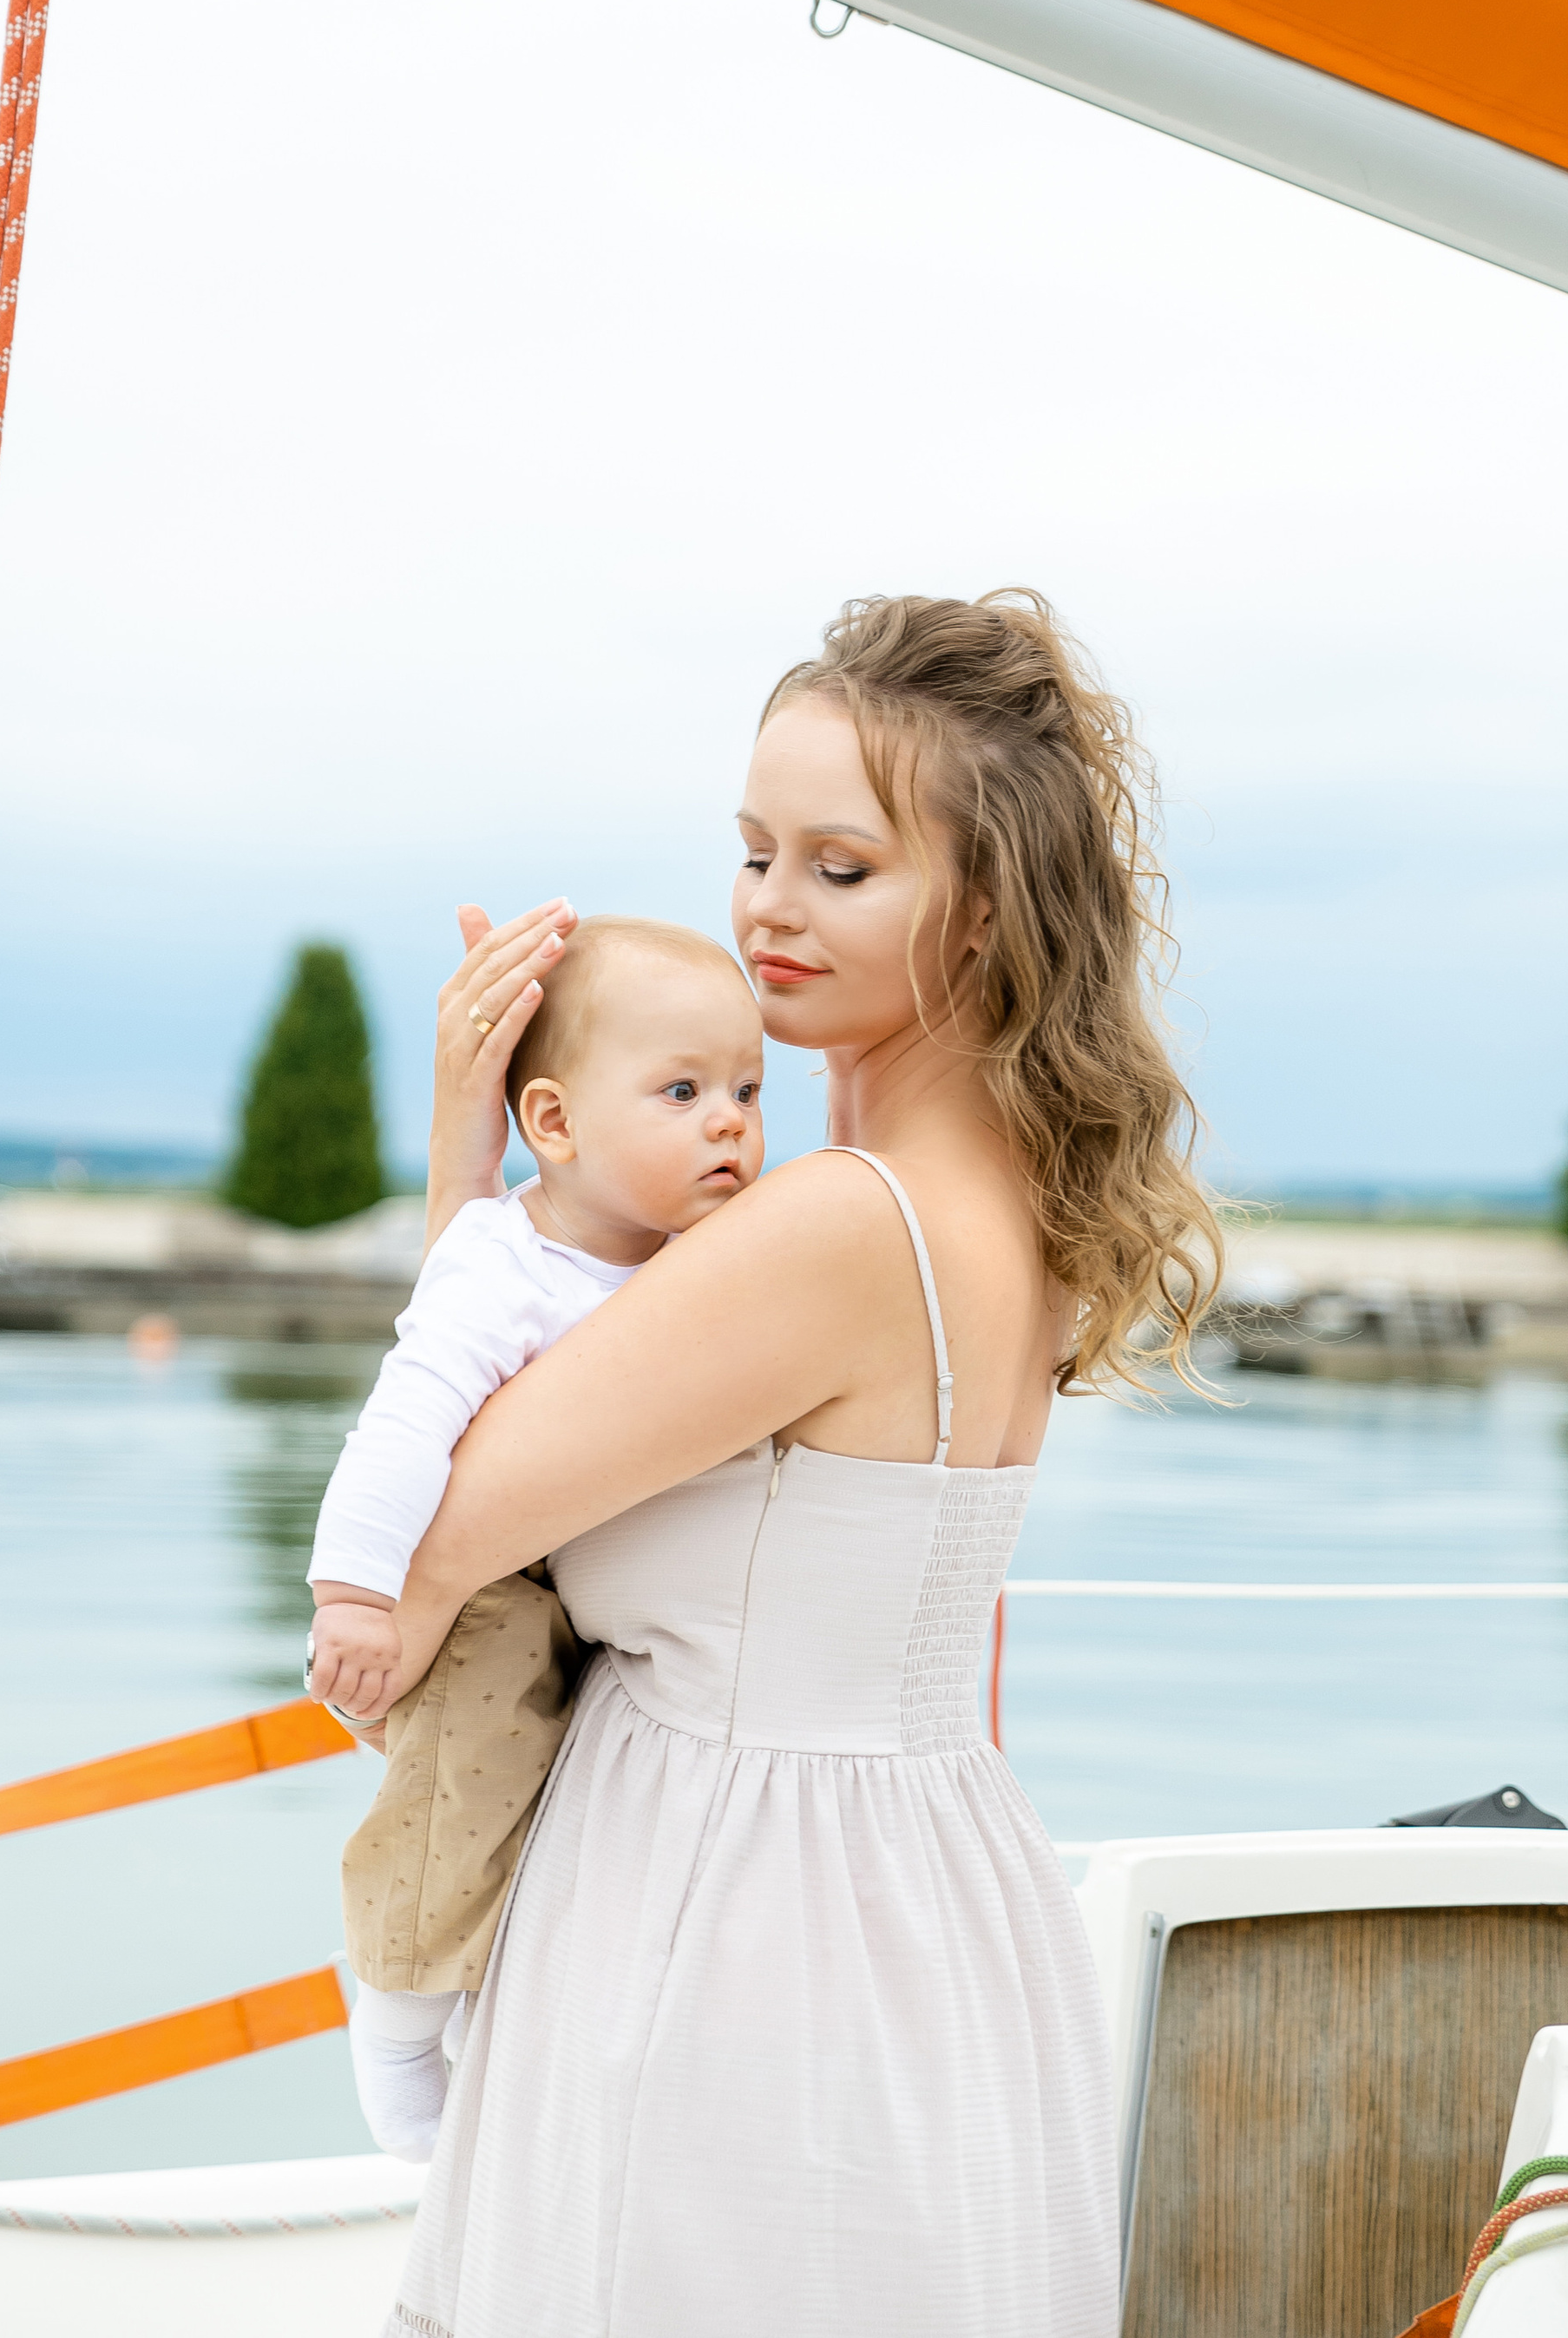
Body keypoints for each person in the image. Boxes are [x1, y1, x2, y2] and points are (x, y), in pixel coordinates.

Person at [378, 591, 1222, 2338]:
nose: (766, 906)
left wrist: (472, 1142)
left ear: (979, 910)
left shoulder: (838, 1228)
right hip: (922, 1889)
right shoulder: (1013, 1208)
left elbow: (432, 1520)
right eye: (755, 850)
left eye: (842, 869)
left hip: (728, 1921)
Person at [306, 919, 764, 2158]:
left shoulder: (700, 1257)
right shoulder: (503, 1266)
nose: (729, 1119)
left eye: (747, 1088)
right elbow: (402, 1421)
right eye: (682, 1091)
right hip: (493, 1596)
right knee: (468, 1772)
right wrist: (355, 1593)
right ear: (554, 1126)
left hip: (606, 1589)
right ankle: (399, 2004)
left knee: (547, 1812)